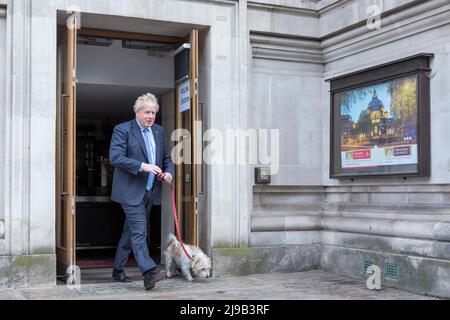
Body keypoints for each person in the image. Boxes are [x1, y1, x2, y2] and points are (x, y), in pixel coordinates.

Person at [109, 93, 174, 290]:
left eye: (153, 112)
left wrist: (168, 173)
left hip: (148, 192)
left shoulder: (158, 131)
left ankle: (117, 270)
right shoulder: (122, 130)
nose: (150, 116)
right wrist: (142, 166)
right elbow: (115, 158)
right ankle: (149, 272)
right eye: (146, 112)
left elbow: (166, 159)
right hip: (129, 192)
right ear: (137, 112)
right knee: (139, 231)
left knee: (130, 232)